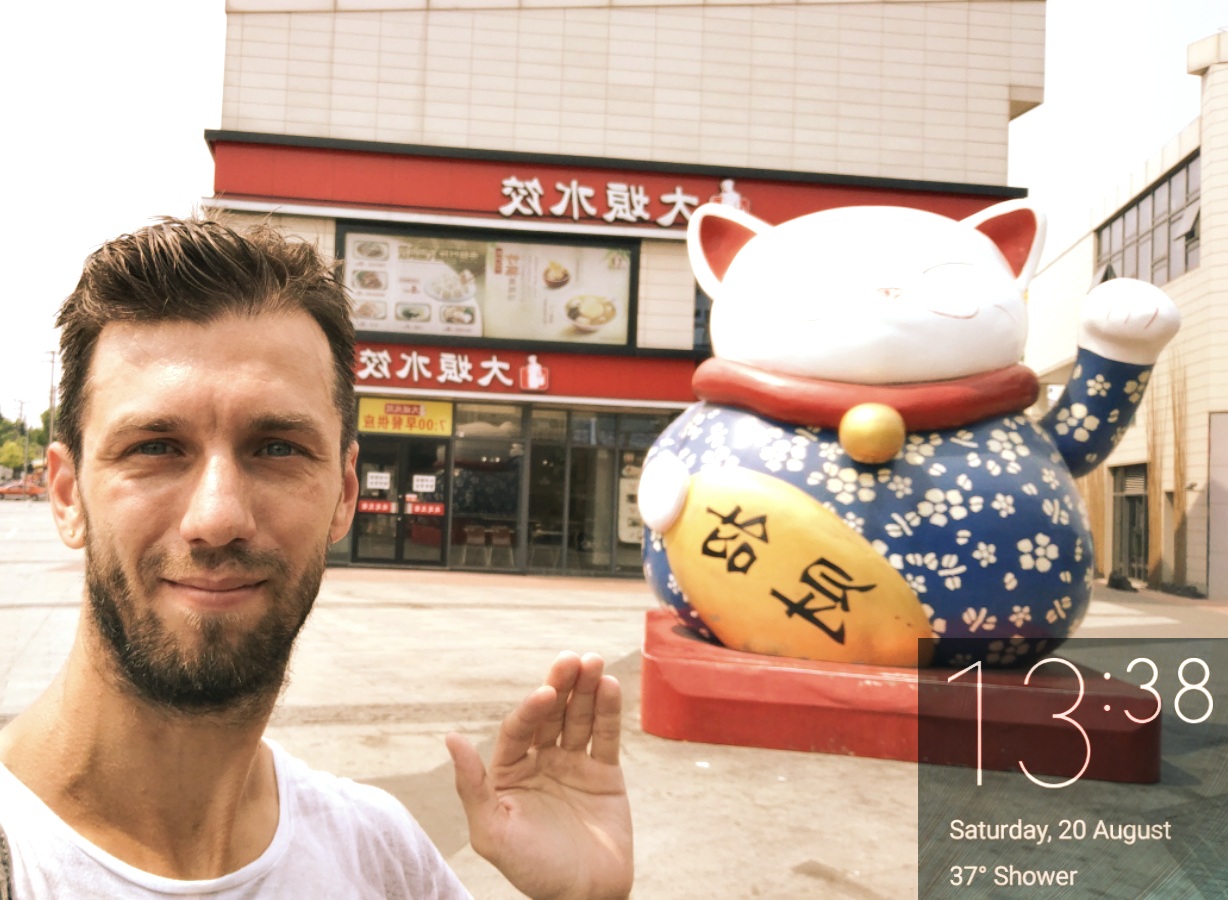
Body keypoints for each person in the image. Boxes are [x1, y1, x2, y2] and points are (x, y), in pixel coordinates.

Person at [0, 218, 633, 899]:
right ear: (67, 495)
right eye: (155, 448)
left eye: (277, 448)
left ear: (344, 493)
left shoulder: (382, 857)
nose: (217, 518)